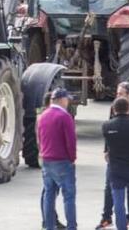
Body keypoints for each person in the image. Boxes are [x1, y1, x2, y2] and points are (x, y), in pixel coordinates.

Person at [97, 82, 129, 229]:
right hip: (117, 160)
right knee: (110, 189)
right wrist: (107, 150)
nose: (117, 96)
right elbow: (109, 134)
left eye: (120, 93)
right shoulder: (116, 111)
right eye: (117, 93)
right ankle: (107, 217)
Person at [38, 88, 77, 230]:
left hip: (47, 160)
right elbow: (71, 140)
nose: (68, 102)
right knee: (69, 196)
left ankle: (49, 226)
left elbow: (40, 138)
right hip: (62, 160)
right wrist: (72, 158)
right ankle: (71, 226)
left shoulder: (43, 116)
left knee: (49, 195)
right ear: (61, 100)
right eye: (67, 99)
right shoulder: (64, 117)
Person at [38, 91, 66, 230]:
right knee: (49, 191)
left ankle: (50, 219)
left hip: (46, 157)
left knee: (49, 191)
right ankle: (48, 220)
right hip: (53, 158)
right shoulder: (48, 117)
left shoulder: (43, 116)